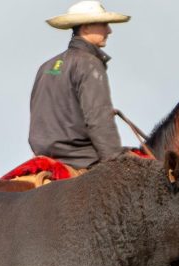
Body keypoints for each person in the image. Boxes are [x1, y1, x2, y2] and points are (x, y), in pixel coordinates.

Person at [29, 1, 130, 170]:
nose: (109, 31)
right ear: (86, 28)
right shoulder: (89, 63)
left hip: (43, 156)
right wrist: (116, 163)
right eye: (104, 24)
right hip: (81, 158)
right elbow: (98, 119)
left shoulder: (46, 66)